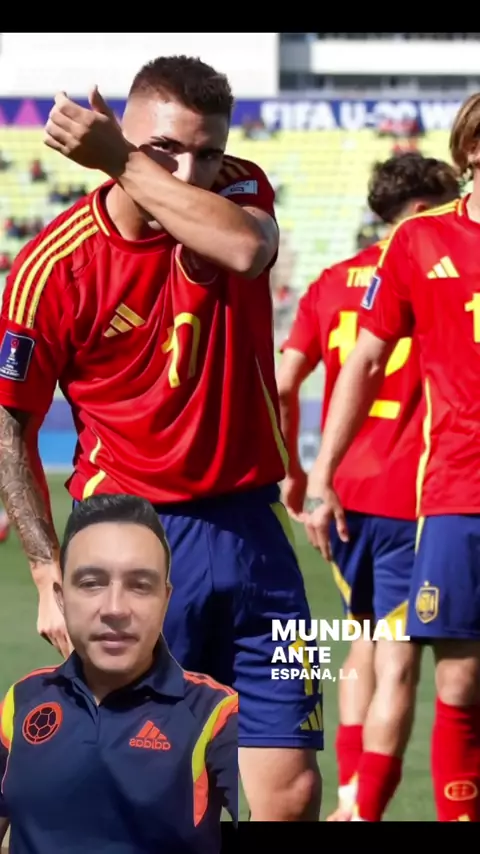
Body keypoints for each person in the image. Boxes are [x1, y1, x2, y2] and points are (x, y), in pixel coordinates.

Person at [0, 55, 322, 821]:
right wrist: (46, 571)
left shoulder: (240, 189)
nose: (191, 170)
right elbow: (11, 424)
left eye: (207, 153)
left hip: (255, 534)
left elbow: (245, 250)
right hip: (129, 535)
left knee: (291, 794)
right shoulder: (53, 266)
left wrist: (122, 159)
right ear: (126, 135)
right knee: (138, 797)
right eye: (164, 150)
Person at [305, 92, 480, 822]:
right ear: (472, 150)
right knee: (455, 678)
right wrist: (319, 475)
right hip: (454, 494)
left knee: (383, 652)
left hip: (412, 496)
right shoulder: (420, 243)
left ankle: (359, 804)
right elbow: (367, 360)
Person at [0, 494, 237, 853]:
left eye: (140, 585)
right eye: (91, 583)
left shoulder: (215, 715)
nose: (115, 609)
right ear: (61, 599)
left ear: (165, 600)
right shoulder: (23, 701)